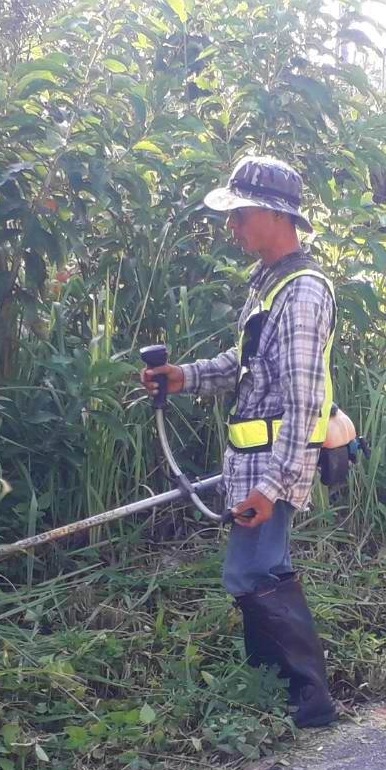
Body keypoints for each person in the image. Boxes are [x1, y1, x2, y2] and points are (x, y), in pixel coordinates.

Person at [141, 155, 339, 729]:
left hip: (271, 468)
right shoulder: (271, 282)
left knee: (254, 575)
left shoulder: (302, 292)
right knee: (258, 573)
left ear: (277, 216)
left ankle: (307, 699)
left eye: (241, 215)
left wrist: (276, 488)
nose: (232, 228)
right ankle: (281, 689)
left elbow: (305, 399)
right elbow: (248, 364)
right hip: (251, 463)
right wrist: (185, 377)